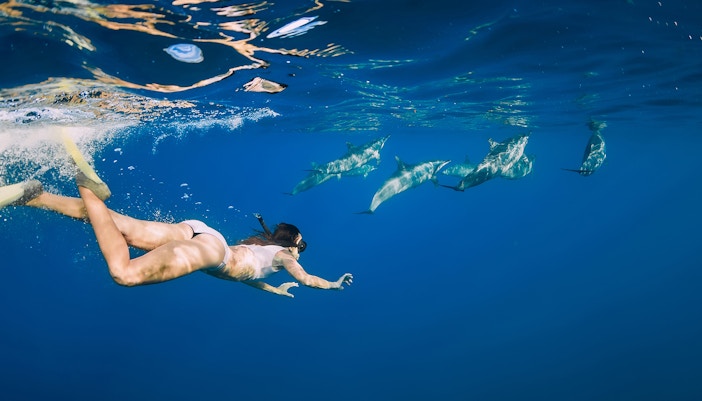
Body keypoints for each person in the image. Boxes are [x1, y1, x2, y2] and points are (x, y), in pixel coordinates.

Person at [0, 141, 353, 298]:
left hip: (199, 232)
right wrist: (332, 285)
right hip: (212, 253)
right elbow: (306, 279)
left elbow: (248, 277)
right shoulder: (284, 258)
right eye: (301, 246)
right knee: (124, 273)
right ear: (293, 245)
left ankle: (35, 197)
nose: (300, 252)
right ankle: (87, 186)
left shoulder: (263, 251)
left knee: (118, 227)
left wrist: (272, 290)